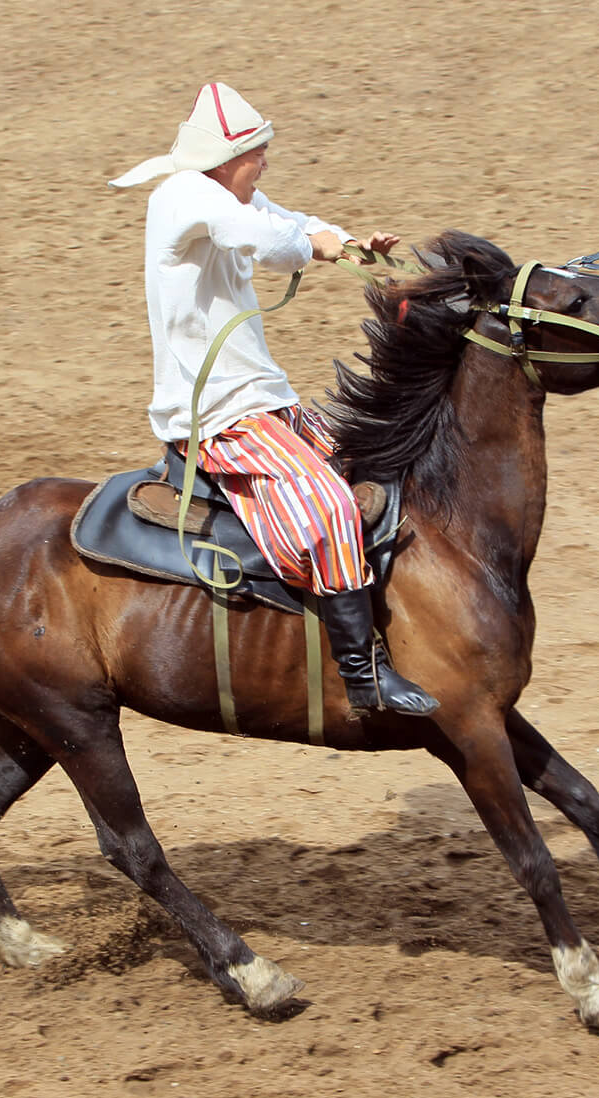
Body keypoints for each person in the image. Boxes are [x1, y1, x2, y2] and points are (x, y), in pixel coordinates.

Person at [109, 82, 437, 716]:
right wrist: (310, 246)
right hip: (217, 416)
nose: (265, 163)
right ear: (230, 157)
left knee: (372, 463)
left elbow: (290, 221)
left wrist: (342, 241)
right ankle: (362, 673)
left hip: (263, 397)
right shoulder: (183, 196)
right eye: (260, 152)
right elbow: (268, 239)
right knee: (333, 505)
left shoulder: (231, 192)